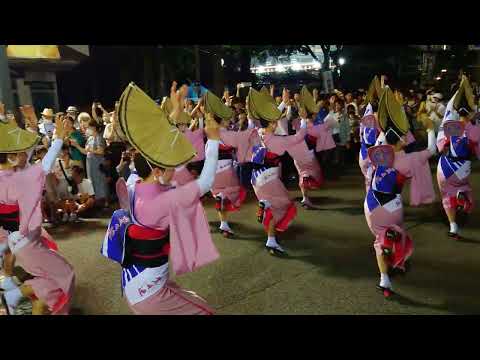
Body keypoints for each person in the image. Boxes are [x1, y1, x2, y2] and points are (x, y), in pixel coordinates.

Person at [102, 81, 219, 315]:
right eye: (169, 167)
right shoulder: (161, 202)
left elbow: (156, 147)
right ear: (156, 171)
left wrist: (174, 113)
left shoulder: (134, 181)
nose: (174, 169)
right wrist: (214, 139)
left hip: (137, 282)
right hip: (150, 291)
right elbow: (205, 183)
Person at [0, 108, 75, 315]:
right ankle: (12, 296)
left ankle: (15, 297)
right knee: (64, 276)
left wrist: (29, 127)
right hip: (26, 243)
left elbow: (26, 160)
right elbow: (42, 167)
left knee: (47, 285)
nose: (25, 155)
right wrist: (58, 139)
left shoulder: (9, 174)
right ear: (12, 156)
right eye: (19, 152)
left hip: (20, 241)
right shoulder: (15, 179)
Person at [363, 87, 437, 297]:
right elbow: (433, 150)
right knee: (394, 233)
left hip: (371, 204)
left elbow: (385, 134)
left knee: (381, 238)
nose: (407, 137)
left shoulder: (378, 152)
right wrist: (430, 129)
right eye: (404, 135)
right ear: (399, 140)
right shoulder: (408, 159)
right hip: (392, 206)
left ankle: (384, 279)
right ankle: (394, 259)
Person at [247, 88, 305, 256]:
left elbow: (267, 119)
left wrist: (282, 104)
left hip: (256, 179)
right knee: (283, 206)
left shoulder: (258, 132)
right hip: (269, 179)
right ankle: (270, 239)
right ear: (272, 123)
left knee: (276, 206)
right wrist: (304, 120)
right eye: (274, 121)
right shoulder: (277, 141)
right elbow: (299, 136)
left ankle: (271, 237)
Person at [436, 76, 480, 239]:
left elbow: (439, 145)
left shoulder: (450, 125)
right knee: (466, 191)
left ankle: (453, 226)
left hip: (445, 166)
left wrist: (460, 91)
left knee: (446, 195)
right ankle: (462, 198)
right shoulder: (475, 129)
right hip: (462, 168)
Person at [204, 90, 248, 238]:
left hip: (213, 172)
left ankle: (224, 224)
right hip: (226, 170)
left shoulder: (212, 134)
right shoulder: (226, 133)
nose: (230, 120)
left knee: (221, 194)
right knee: (234, 192)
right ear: (222, 120)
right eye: (227, 119)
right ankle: (223, 218)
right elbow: (241, 140)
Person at [70, 120, 109, 207]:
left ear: (94, 127)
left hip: (97, 163)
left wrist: (90, 150)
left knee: (100, 181)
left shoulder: (99, 137)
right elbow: (85, 152)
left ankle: (104, 201)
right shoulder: (90, 138)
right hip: (90, 163)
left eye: (88, 127)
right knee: (92, 181)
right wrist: (76, 145)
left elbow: (101, 151)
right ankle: (97, 201)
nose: (87, 129)